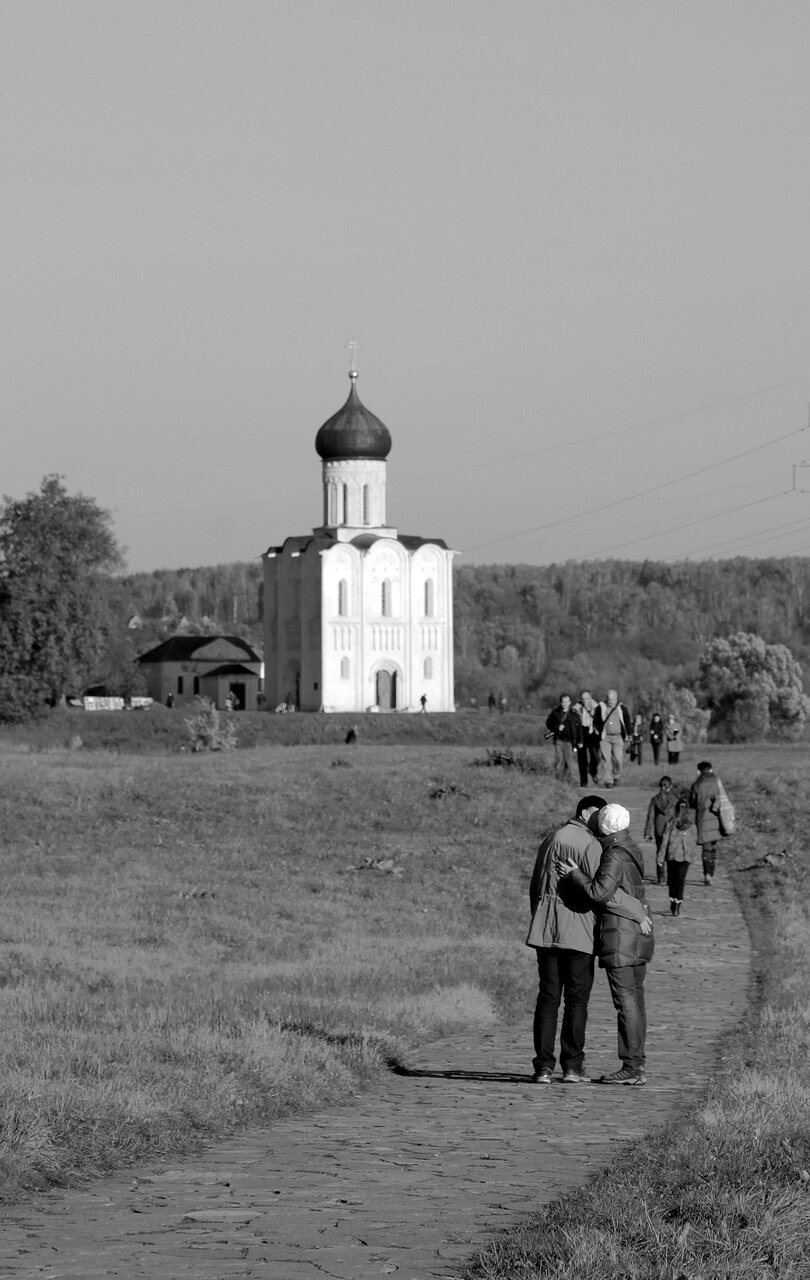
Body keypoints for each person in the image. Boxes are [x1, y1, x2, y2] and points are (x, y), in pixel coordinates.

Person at [526, 795, 649, 1084]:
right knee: (576, 1001)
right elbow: (603, 892)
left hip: (544, 931)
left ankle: (542, 1067)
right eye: (598, 813)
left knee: (547, 999)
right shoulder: (589, 844)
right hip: (578, 931)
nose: (600, 819)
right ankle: (572, 1067)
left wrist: (539, 916)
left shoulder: (550, 839)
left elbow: (535, 885)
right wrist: (636, 910)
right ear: (585, 813)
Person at [558, 803, 654, 1086]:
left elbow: (599, 892)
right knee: (635, 1001)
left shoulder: (613, 855)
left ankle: (632, 1065)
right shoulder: (631, 847)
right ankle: (636, 1063)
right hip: (636, 935)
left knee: (626, 1003)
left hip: (619, 936)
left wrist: (575, 873)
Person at [689, 760, 726, 886]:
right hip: (716, 818)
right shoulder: (717, 782)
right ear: (710, 770)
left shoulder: (697, 784)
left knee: (706, 848)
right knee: (714, 848)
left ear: (699, 770)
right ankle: (712, 873)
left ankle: (707, 875)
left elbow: (692, 803)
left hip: (703, 818)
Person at [662, 798, 697, 915]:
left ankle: (673, 903)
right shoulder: (691, 825)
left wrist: (660, 857)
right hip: (685, 857)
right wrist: (692, 857)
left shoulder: (671, 823)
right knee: (680, 881)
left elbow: (664, 841)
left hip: (672, 855)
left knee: (672, 881)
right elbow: (693, 842)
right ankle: (677, 905)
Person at [593, 690, 632, 788]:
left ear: (616, 699)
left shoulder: (622, 708)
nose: (611, 702)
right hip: (605, 737)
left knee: (618, 758)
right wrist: (598, 730)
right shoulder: (601, 707)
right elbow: (596, 720)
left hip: (618, 736)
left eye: (613, 699)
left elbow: (627, 721)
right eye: (609, 700)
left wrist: (629, 734)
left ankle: (616, 776)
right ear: (606, 699)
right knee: (606, 760)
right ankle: (608, 781)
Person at [643, 776, 677, 883]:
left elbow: (650, 816)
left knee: (660, 851)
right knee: (671, 851)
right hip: (672, 827)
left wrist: (648, 832)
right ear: (670, 786)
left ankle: (661, 876)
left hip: (659, 827)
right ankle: (671, 876)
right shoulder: (675, 799)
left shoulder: (655, 799)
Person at [545, 694, 581, 783]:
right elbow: (548, 723)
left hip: (570, 741)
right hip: (559, 740)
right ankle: (559, 780)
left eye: (566, 702)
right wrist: (557, 727)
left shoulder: (574, 714)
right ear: (561, 702)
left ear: (570, 702)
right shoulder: (555, 713)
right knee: (559, 760)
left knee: (570, 761)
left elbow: (579, 728)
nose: (565, 704)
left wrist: (580, 741)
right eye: (563, 702)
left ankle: (572, 779)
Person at [573, 690, 600, 786]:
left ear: (590, 698)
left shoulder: (597, 707)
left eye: (587, 698)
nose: (585, 701)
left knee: (595, 757)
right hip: (581, 732)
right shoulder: (576, 708)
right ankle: (583, 781)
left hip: (592, 732)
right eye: (583, 699)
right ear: (580, 699)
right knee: (582, 758)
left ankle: (593, 772)